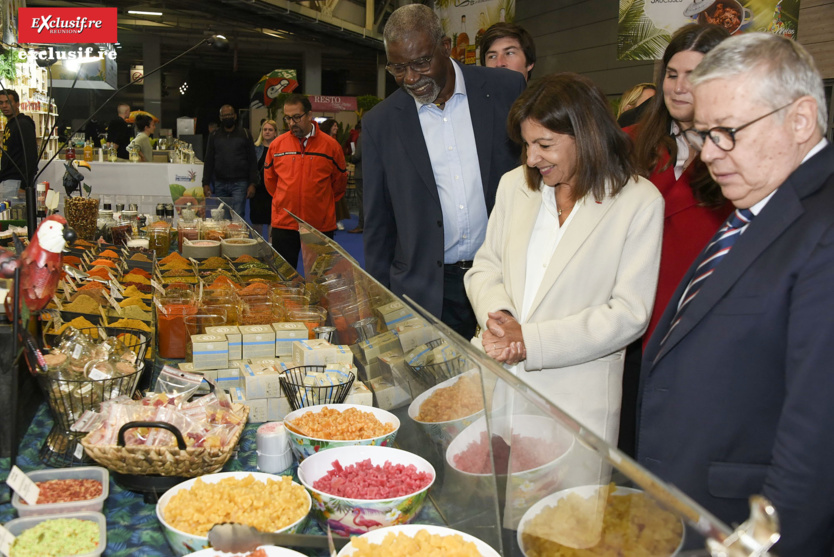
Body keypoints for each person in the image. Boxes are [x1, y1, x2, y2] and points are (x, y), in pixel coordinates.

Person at [637, 33, 834, 556]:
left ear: (800, 119)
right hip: (695, 504)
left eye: (728, 133)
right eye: (703, 135)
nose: (710, 155)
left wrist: (756, 546)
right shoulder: (757, 208)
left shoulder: (824, 225)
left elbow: (817, 439)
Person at [465, 73, 663, 449]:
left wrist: (532, 342)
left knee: (568, 506)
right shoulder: (515, 185)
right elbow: (486, 266)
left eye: (544, 144)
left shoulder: (639, 201)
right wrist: (501, 318)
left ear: (585, 136)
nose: (531, 158)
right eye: (525, 144)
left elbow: (628, 314)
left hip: (576, 401)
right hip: (503, 385)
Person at [363, 4, 526, 339]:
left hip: (504, 279)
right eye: (398, 68)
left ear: (446, 47)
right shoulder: (381, 123)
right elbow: (378, 222)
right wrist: (380, 302)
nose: (411, 78)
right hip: (426, 289)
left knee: (502, 387)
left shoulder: (506, 90)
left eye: (422, 62)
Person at [628, 24, 732, 347]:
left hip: (704, 321)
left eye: (694, 75)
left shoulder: (741, 158)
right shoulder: (628, 143)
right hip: (629, 319)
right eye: (672, 75)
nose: (678, 87)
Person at [264, 94, 347, 268]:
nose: (292, 123)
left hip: (319, 225)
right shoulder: (277, 146)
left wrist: (319, 202)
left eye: (296, 117)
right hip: (284, 223)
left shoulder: (331, 146)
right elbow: (271, 182)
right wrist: (286, 200)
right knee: (284, 279)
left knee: (320, 279)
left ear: (309, 115)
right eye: (287, 118)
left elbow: (338, 185)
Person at [202, 105, 258, 218]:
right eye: (224, 115)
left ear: (235, 116)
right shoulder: (214, 135)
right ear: (220, 118)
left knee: (238, 216)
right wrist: (205, 183)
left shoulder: (245, 134)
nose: (227, 117)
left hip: (240, 183)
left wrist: (253, 183)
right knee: (223, 217)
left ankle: (238, 236)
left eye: (230, 115)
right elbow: (209, 160)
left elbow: (252, 160)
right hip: (219, 183)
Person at [0, 89, 37, 203]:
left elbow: (31, 155)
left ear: (17, 103)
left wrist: (25, 185)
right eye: (1, 103)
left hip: (17, 184)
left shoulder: (22, 124)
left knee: (16, 220)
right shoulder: (11, 124)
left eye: (8, 102)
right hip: (9, 182)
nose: (4, 106)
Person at [322, 118, 350, 230]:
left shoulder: (336, 141)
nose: (336, 128)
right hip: (326, 174)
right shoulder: (322, 141)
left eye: (337, 126)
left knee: (337, 199)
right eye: (334, 126)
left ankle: (337, 220)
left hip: (336, 175)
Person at [251, 119, 278, 239]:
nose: (267, 132)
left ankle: (271, 248)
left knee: (272, 220)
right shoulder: (254, 148)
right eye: (265, 129)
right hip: (258, 191)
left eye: (270, 130)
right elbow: (251, 168)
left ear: (275, 133)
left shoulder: (280, 149)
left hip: (274, 191)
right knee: (257, 220)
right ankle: (258, 248)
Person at [347, 120, 364, 234]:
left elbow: (357, 156)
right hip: (369, 173)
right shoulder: (375, 135)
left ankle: (361, 225)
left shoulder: (363, 137)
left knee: (362, 201)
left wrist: (350, 157)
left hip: (361, 173)